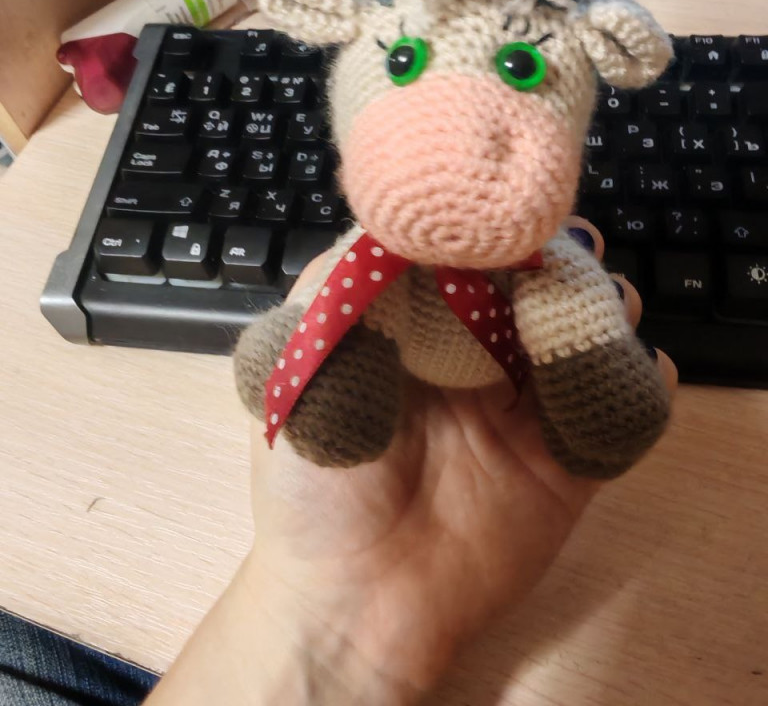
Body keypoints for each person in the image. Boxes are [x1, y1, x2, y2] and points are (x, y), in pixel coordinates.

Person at [0, 221, 676, 706]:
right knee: (351, 321)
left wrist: (587, 356)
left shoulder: (538, 252)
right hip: (407, 312)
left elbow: (570, 294)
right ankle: (337, 375)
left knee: (574, 314)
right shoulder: (382, 245)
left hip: (527, 292)